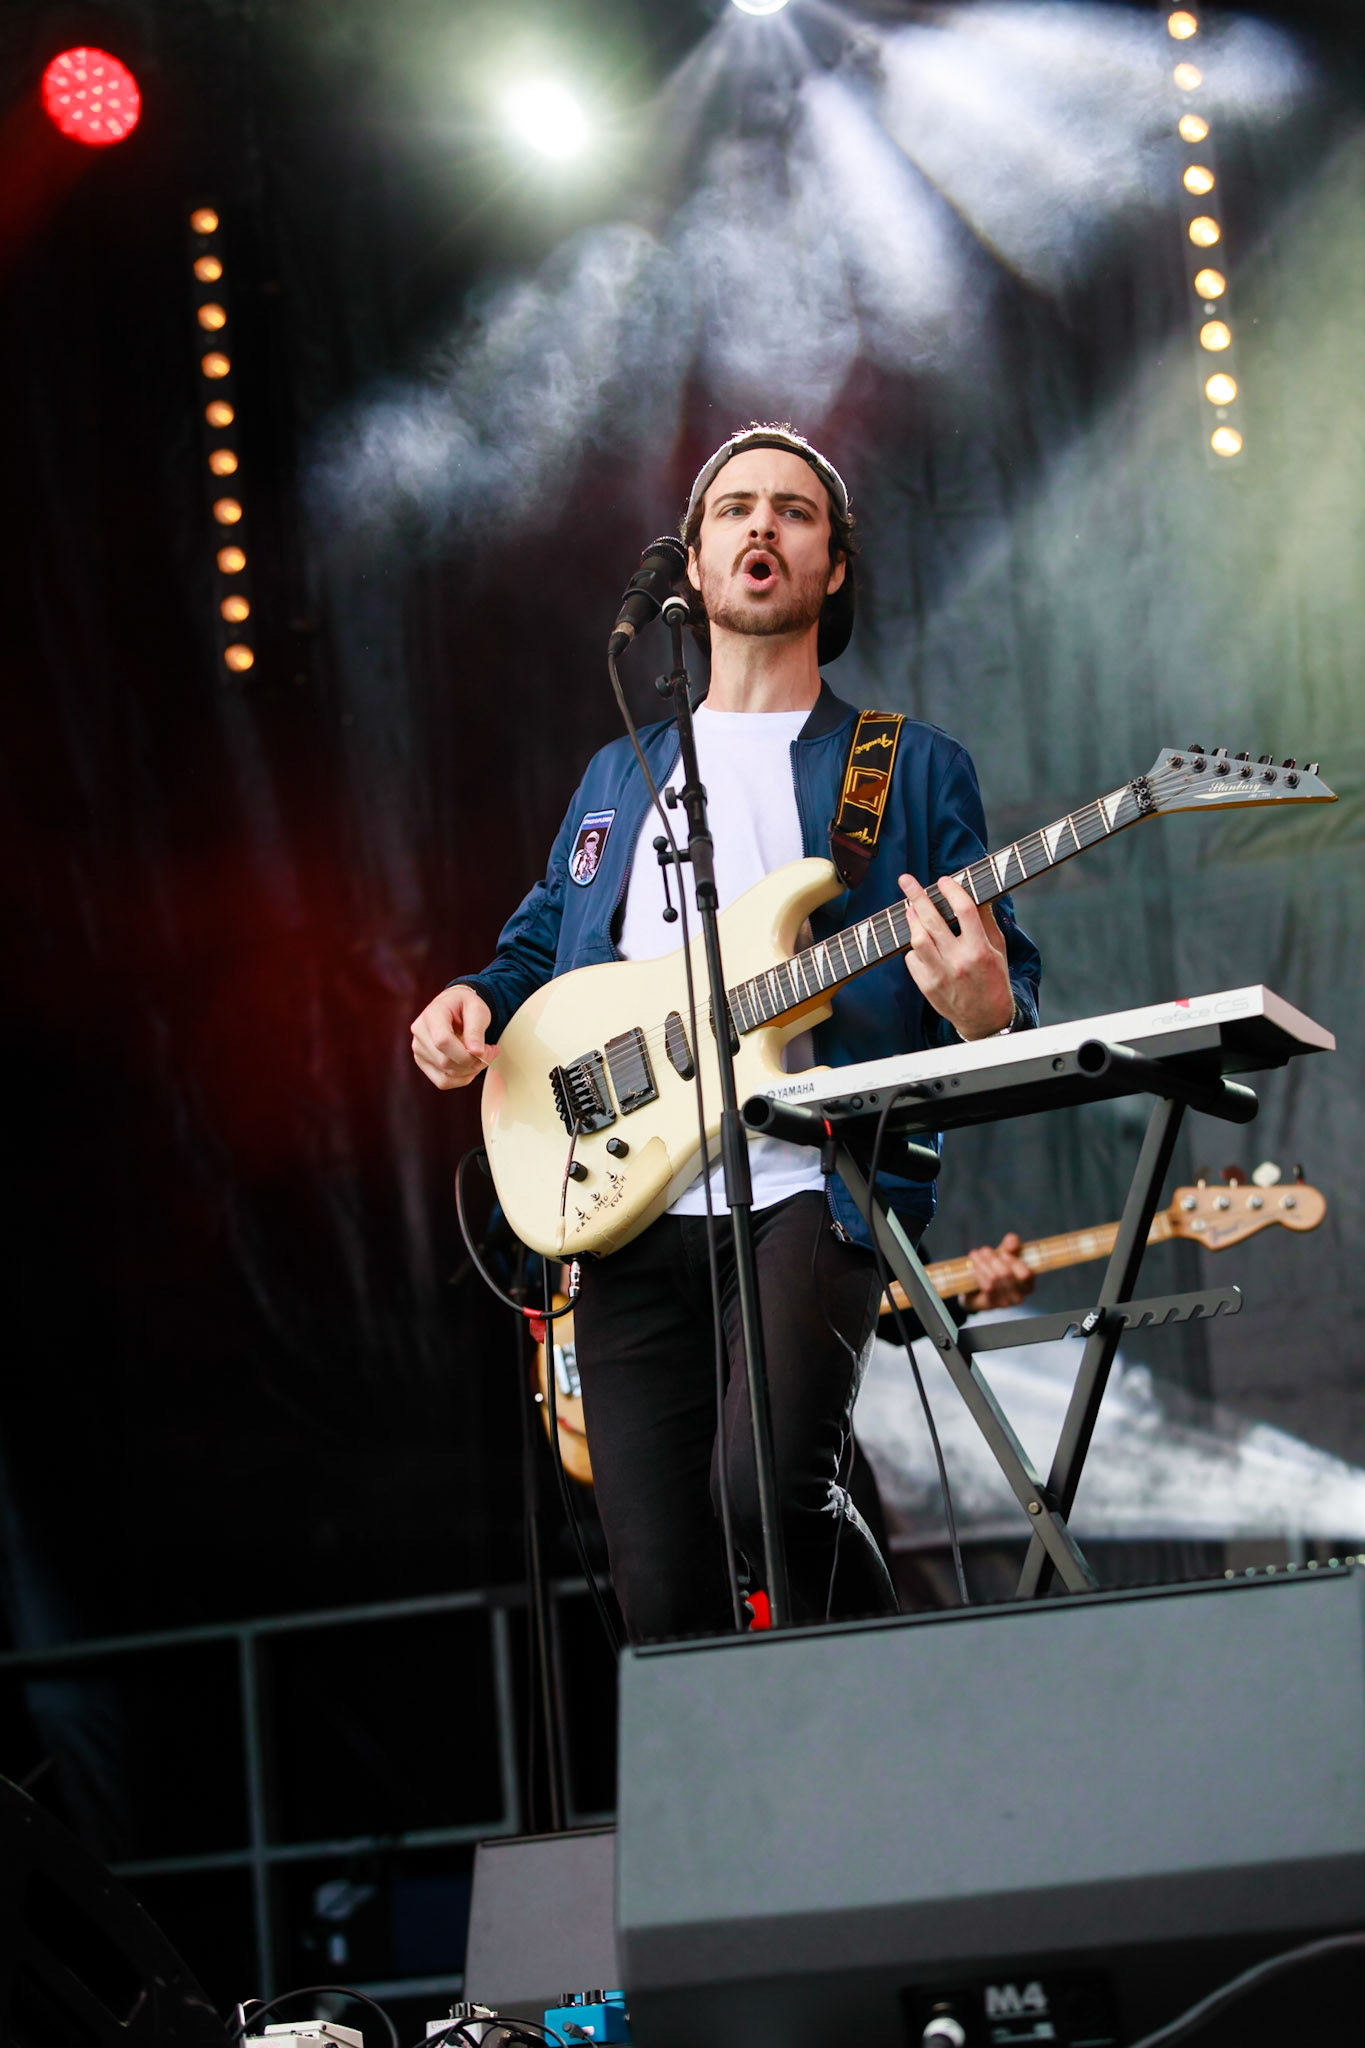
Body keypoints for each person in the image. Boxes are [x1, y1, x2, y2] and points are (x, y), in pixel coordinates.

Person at [411, 425, 1041, 1640]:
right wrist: (475, 1003)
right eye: (734, 510)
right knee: (661, 1585)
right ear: (691, 567)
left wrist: (981, 999)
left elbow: (1002, 979)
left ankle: (897, 1704)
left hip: (813, 1178)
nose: (763, 526)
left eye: (795, 512)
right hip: (628, 1202)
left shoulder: (903, 768)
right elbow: (542, 945)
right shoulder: (618, 773)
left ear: (834, 566)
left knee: (767, 1492)